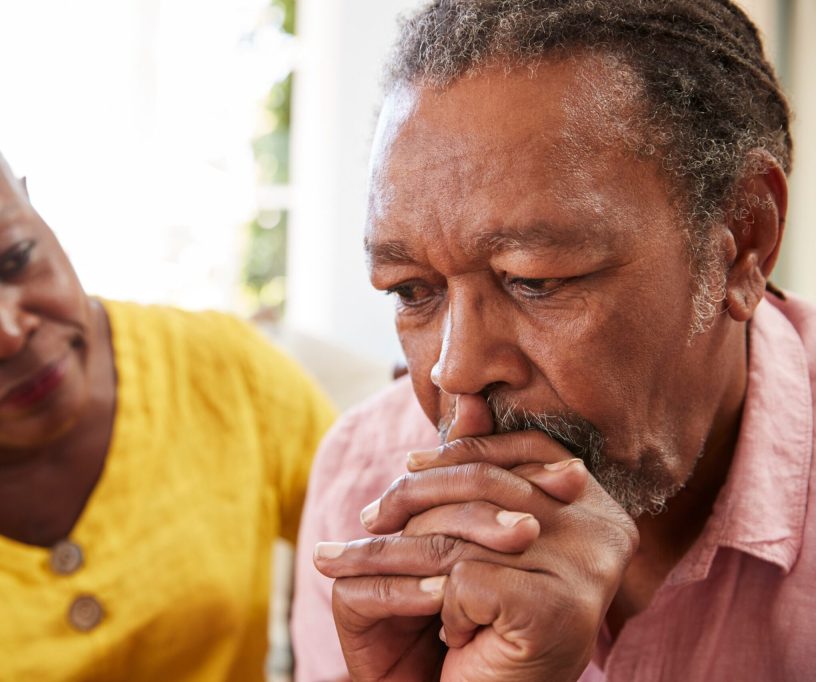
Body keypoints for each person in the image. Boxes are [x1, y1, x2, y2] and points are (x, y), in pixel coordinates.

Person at [292, 0, 816, 680]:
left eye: (534, 280)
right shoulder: (362, 493)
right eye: (412, 291)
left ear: (744, 241)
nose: (455, 371)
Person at [0, 83, 336, 681]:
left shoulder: (228, 373)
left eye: (14, 258)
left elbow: (389, 571)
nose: (3, 333)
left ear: (37, 216)